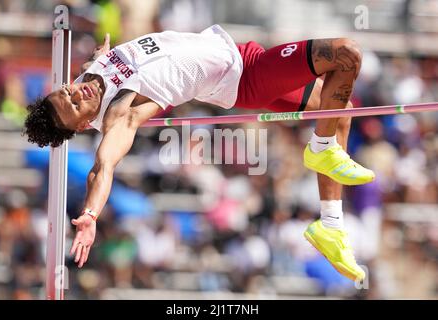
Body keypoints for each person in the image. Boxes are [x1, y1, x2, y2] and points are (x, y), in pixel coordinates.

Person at [23, 25, 374, 281]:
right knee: (346, 52)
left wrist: (102, 54)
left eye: (67, 92)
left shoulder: (90, 75)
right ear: (84, 125)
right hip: (245, 77)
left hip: (237, 53)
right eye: (74, 105)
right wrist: (91, 213)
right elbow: (103, 167)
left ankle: (331, 225)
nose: (76, 93)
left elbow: (100, 63)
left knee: (339, 109)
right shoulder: (121, 112)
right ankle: (321, 149)